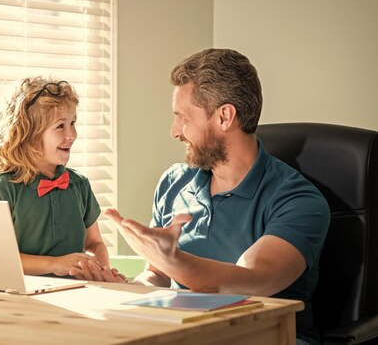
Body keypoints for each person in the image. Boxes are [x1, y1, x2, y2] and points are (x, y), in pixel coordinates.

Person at [74, 49, 330, 345]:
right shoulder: (175, 182)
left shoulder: (298, 201)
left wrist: (174, 259)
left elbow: (251, 280)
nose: (175, 132)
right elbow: (157, 275)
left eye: (183, 118)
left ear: (224, 116)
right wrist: (128, 288)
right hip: (185, 334)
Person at [0, 77, 123, 280]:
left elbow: (94, 243)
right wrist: (56, 264)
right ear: (28, 134)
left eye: (73, 123)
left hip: (78, 291)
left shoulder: (79, 184)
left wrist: (98, 271)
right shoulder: (3, 189)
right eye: (60, 126)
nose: (72, 134)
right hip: (26, 298)